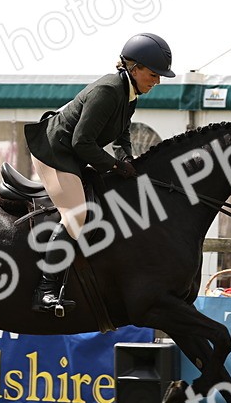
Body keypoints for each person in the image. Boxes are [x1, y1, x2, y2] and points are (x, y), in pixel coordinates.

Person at [23, 32, 173, 314]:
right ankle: (45, 290)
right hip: (54, 152)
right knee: (76, 214)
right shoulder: (108, 91)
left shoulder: (129, 93)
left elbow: (123, 132)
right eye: (153, 74)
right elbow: (82, 142)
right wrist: (116, 166)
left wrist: (127, 158)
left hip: (74, 154)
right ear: (133, 67)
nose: (157, 81)